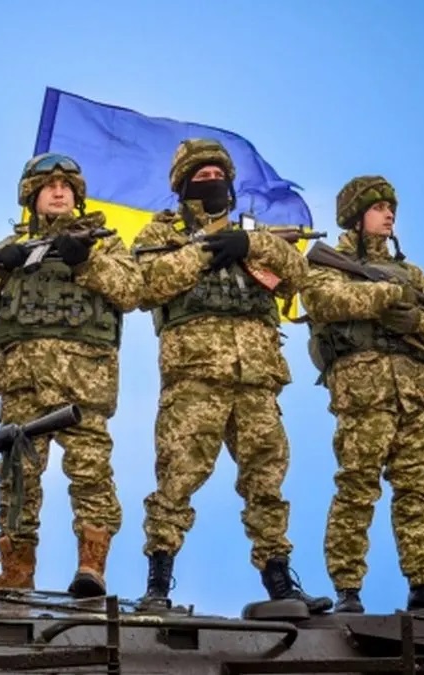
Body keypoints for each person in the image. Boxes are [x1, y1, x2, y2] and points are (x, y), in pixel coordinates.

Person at [132, 138, 331, 613]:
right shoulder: (160, 233)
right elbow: (145, 285)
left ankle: (280, 582)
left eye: (218, 175)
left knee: (267, 480)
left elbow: (300, 276)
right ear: (183, 186)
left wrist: (251, 243)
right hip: (194, 376)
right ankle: (158, 586)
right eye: (201, 177)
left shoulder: (256, 234)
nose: (212, 182)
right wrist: (202, 252)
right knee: (177, 478)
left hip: (257, 377)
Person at [0, 153, 141, 598]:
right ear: (32, 196)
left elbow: (131, 291)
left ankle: (91, 567)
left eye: (66, 187)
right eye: (49, 186)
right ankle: (16, 570)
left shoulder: (104, 245)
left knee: (91, 474)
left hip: (84, 382)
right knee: (16, 478)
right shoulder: (11, 247)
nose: (59, 192)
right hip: (21, 381)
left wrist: (86, 262)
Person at [300, 175, 424, 613]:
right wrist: (388, 296)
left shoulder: (410, 272)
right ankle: (348, 587)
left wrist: (417, 321)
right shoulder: (330, 263)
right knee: (357, 486)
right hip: (364, 393)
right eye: (378, 207)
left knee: (416, 490)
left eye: (391, 208)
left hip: (415, 393)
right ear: (355, 215)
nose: (388, 215)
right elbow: (325, 301)